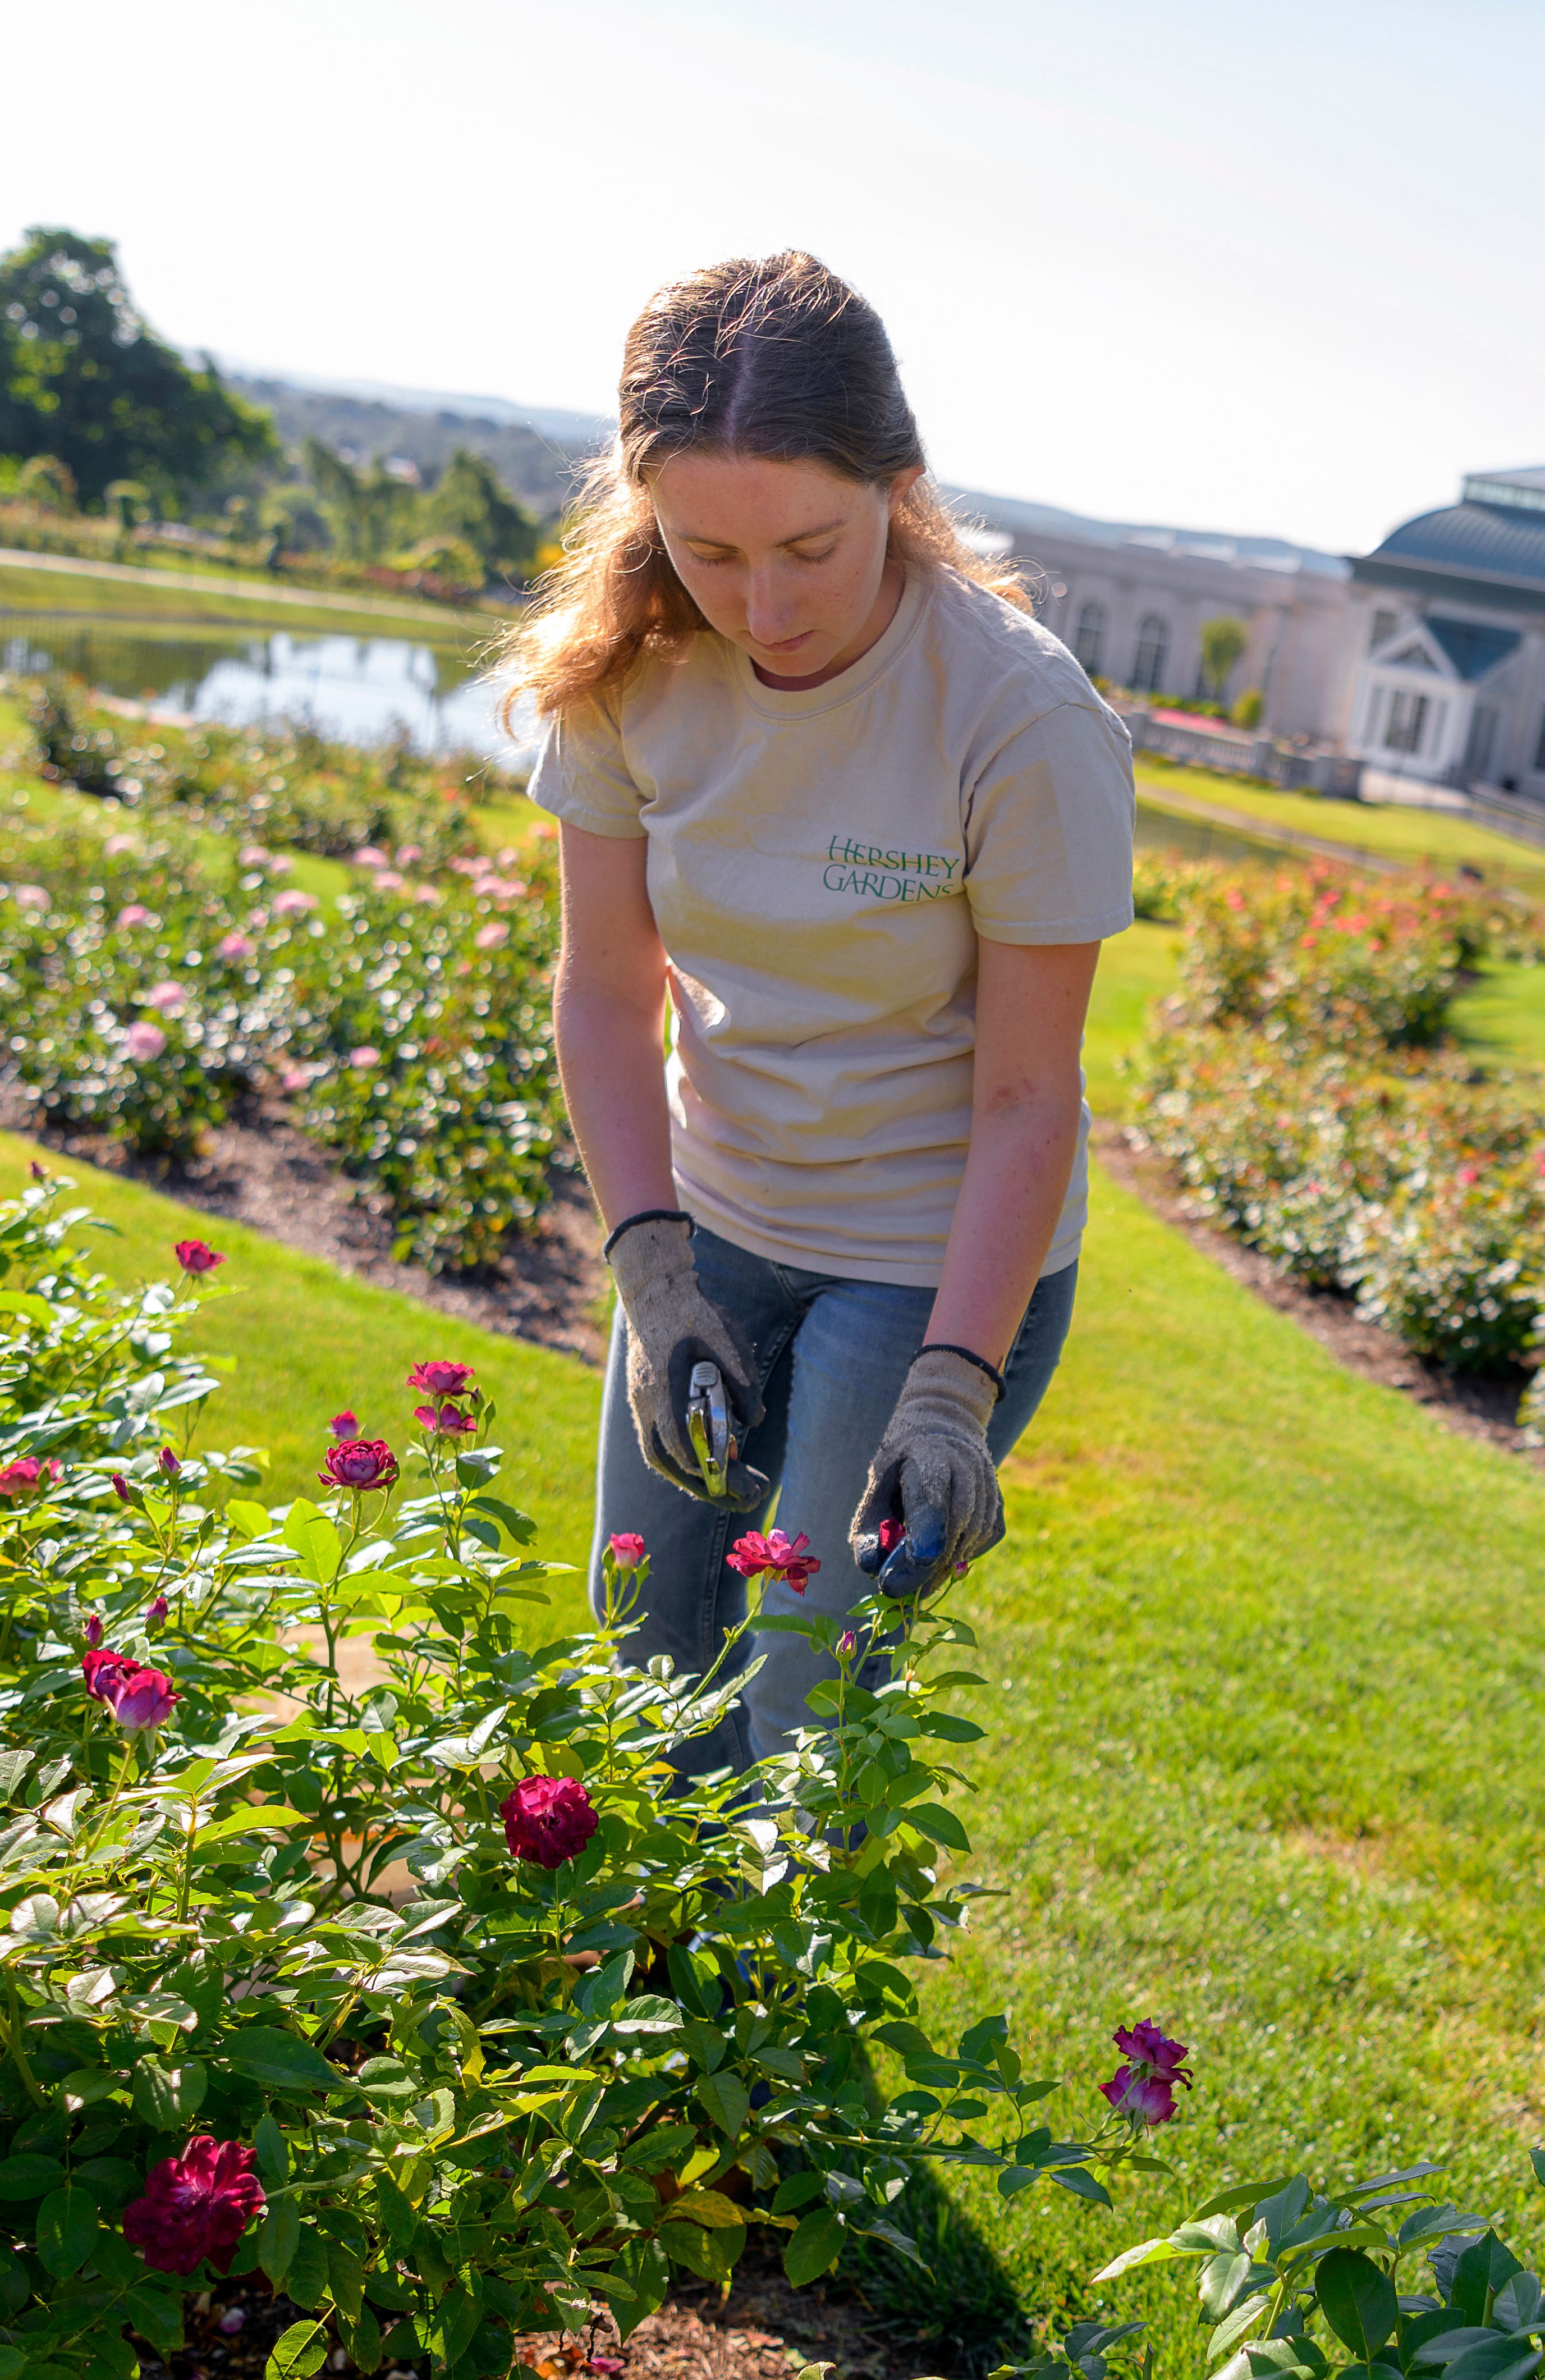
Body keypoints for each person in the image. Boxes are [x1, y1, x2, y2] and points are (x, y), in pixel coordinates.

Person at [500, 253, 1133, 1769]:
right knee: (647, 1667)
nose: (760, 604)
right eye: (708, 551)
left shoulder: (1021, 721)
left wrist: (949, 1394)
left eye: (808, 546)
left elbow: (1026, 1098)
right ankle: (644, 2001)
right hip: (712, 1217)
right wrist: (653, 1277)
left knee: (802, 1707)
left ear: (896, 486)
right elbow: (603, 993)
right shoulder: (629, 672)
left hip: (922, 1263)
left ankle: (782, 2005)